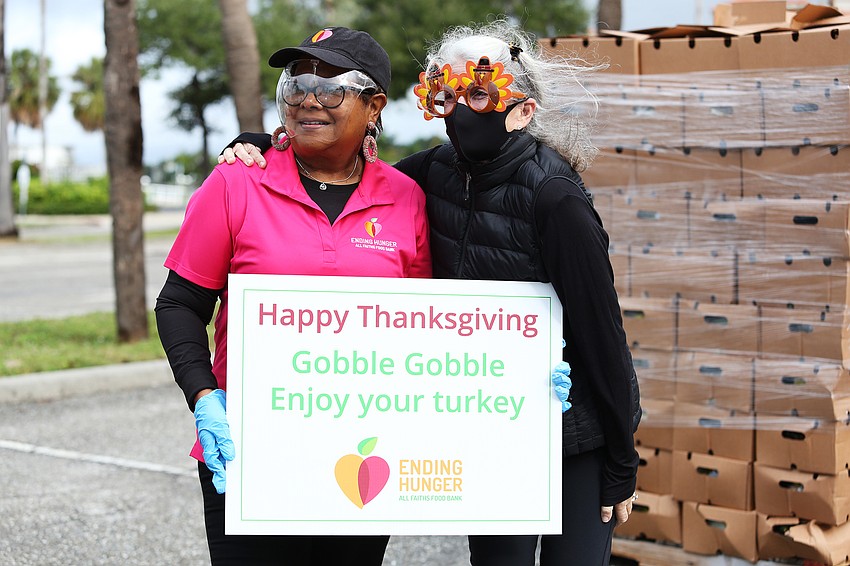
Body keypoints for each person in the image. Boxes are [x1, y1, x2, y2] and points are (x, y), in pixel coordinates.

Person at [223, 19, 640, 566]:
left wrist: (621, 457)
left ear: (523, 109)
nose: (461, 109)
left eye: (480, 94)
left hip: (573, 429)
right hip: (493, 425)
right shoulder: (434, 172)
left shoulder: (555, 197)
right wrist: (264, 146)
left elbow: (601, 330)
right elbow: (353, 172)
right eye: (448, 93)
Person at [154, 27, 433, 566]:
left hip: (362, 455)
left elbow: (421, 327)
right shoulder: (236, 183)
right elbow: (180, 304)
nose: (308, 97)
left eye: (331, 87)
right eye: (295, 81)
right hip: (250, 453)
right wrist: (205, 398)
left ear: (374, 104)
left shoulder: (405, 198)